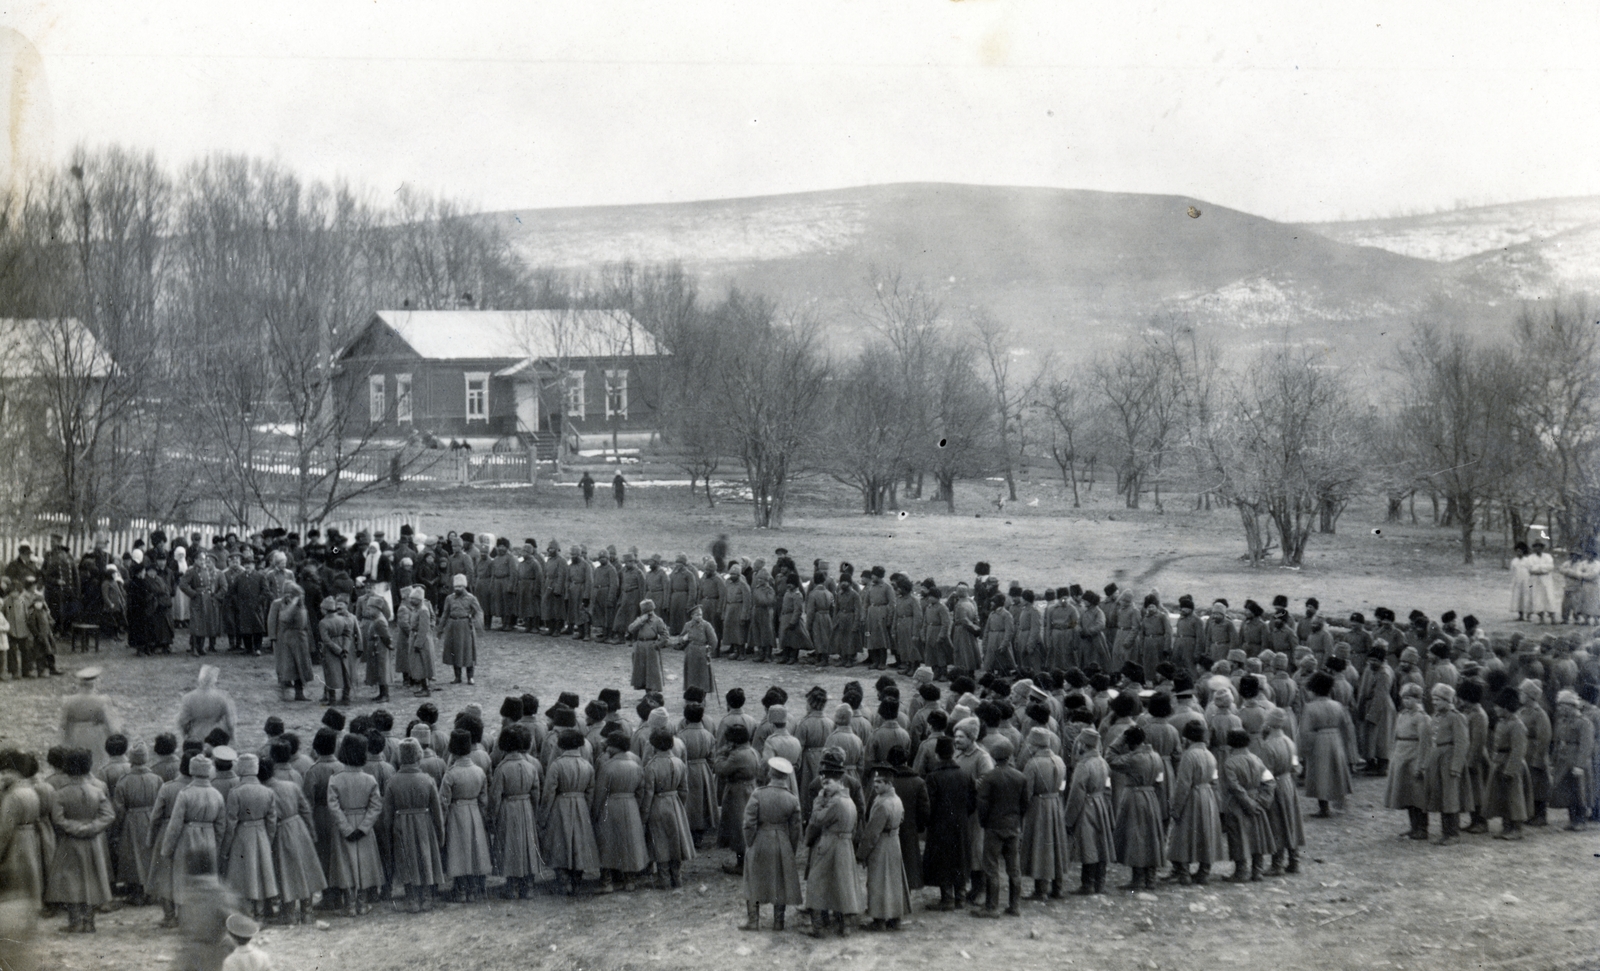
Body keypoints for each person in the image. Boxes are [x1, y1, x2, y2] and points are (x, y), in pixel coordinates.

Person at [45, 748, 115, 933]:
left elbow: (58, 820)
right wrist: (91, 827)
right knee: (92, 879)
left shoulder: (60, 794)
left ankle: (75, 922)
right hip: (93, 841)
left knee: (71, 882)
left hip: (70, 842)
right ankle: (90, 921)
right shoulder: (97, 790)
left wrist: (75, 828)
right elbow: (108, 815)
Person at [261, 756, 324, 925]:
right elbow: (306, 810)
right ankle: (307, 911)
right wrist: (311, 832)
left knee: (285, 872)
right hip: (299, 827)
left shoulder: (264, 792)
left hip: (280, 831)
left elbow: (270, 820)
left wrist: (268, 839)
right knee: (305, 869)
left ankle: (288, 912)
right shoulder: (292, 786)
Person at [326, 733, 384, 916]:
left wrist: (345, 828)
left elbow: (333, 807)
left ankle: (350, 903)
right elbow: (376, 806)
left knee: (346, 864)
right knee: (365, 864)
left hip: (345, 825)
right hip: (363, 825)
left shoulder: (335, 779)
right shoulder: (369, 779)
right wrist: (364, 827)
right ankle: (362, 902)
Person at [542, 729, 600, 895]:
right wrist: (585, 810)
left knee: (560, 841)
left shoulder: (556, 765)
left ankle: (563, 879)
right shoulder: (587, 765)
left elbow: (549, 793)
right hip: (580, 804)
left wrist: (544, 815)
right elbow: (590, 792)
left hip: (561, 805)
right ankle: (577, 879)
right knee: (579, 842)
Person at [1109, 725, 1167, 892]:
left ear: (1129, 743)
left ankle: (1138, 879)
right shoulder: (1156, 757)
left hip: (1134, 797)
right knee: (1151, 837)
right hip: (1151, 796)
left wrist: (1121, 738)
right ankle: (1151, 878)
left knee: (1137, 838)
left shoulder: (1133, 758)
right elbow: (1159, 781)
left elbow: (1110, 757)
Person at [221, 754, 278, 919]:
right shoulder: (267, 791)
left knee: (245, 875)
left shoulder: (235, 792)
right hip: (261, 834)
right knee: (260, 874)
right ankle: (260, 912)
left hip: (242, 835)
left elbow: (230, 823)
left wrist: (225, 848)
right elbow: (272, 821)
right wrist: (268, 840)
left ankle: (248, 913)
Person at [805, 777, 862, 938]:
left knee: (816, 881)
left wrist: (817, 801)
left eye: (828, 782)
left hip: (830, 843)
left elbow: (817, 819)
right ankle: (845, 926)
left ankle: (818, 928)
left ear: (840, 782)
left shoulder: (836, 802)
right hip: (845, 845)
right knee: (843, 884)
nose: (825, 787)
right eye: (823, 783)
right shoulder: (849, 800)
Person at [440, 729, 492, 902]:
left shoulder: (451, 773)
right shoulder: (479, 771)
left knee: (459, 850)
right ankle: (474, 887)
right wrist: (484, 818)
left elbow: (443, 801)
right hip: (475, 811)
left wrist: (442, 821)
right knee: (475, 849)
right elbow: (484, 798)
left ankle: (461, 888)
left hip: (456, 812)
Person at [858, 769, 913, 930]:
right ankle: (895, 918)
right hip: (894, 842)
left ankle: (879, 920)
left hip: (881, 844)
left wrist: (862, 854)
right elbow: (901, 818)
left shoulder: (882, 803)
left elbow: (872, 832)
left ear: (888, 783)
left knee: (878, 880)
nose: (875, 785)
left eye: (879, 782)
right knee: (894, 881)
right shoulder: (896, 799)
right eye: (875, 782)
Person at [1063, 727, 1115, 895]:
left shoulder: (1083, 765)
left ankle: (1088, 884)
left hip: (1087, 806)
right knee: (1101, 844)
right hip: (1101, 803)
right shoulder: (1103, 762)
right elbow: (1109, 788)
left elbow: (1076, 794)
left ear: (1083, 744)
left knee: (1089, 846)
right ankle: (1100, 883)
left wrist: (1068, 819)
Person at [640, 729, 694, 889]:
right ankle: (677, 877)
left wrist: (644, 814)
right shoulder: (679, 763)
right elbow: (684, 789)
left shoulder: (651, 766)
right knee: (676, 840)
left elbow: (648, 793)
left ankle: (663, 878)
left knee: (660, 841)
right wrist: (679, 804)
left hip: (658, 803)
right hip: (675, 802)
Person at [1298, 672, 1358, 817]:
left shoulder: (1310, 707)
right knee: (1336, 770)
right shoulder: (1337, 705)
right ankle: (1339, 802)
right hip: (1335, 738)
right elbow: (1346, 726)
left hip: (1319, 740)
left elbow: (1304, 731)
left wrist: (1303, 750)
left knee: (1320, 773)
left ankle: (1324, 808)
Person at [1220, 728, 1276, 882]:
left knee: (1238, 837)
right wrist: (1263, 801)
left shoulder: (1229, 762)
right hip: (1257, 800)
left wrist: (1247, 803)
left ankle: (1241, 872)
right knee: (1257, 836)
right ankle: (1257, 871)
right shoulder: (1257, 759)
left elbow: (1234, 786)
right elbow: (1270, 781)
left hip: (1238, 804)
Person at [1386, 683, 1430, 840]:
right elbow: (1395, 736)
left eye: (1410, 698)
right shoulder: (1402, 715)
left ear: (1418, 699)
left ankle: (1422, 828)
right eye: (1404, 698)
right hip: (1402, 755)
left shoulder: (1421, 717)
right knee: (1407, 794)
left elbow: (1424, 742)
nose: (1406, 701)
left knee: (1417, 794)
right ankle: (1413, 826)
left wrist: (1421, 764)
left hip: (1414, 756)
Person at [1486, 687, 1532, 840]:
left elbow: (1518, 750)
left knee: (1514, 797)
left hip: (1512, 764)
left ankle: (1517, 829)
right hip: (1500, 762)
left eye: (1498, 706)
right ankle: (1506, 827)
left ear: (1506, 707)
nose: (1495, 709)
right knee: (1503, 797)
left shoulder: (1517, 725)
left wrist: (1510, 770)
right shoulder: (1502, 723)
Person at [1550, 689, 1596, 832]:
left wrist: (1580, 765)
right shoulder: (1562, 722)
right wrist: (1554, 760)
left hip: (1577, 761)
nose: (1560, 709)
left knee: (1580, 792)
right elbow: (1558, 742)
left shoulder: (1584, 723)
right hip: (1564, 761)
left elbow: (1586, 745)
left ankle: (1580, 820)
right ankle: (1572, 819)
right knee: (1568, 792)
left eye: (1563, 705)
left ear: (1571, 706)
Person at [60, 667, 121, 773]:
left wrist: (65, 742)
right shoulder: (101, 701)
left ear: (79, 684)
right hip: (95, 734)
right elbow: (110, 724)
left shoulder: (69, 701)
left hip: (75, 734)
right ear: (94, 684)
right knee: (97, 764)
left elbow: (63, 724)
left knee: (77, 763)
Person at [438, 575, 483, 686]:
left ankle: (470, 677)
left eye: (459, 586)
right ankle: (457, 677)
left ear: (464, 586)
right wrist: (440, 629)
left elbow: (478, 611)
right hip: (452, 626)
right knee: (454, 651)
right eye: (455, 586)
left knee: (468, 651)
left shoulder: (471, 598)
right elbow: (445, 613)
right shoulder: (449, 598)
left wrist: (478, 625)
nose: (457, 589)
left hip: (465, 626)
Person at [629, 599, 669, 692]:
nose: (648, 613)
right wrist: (641, 621)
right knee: (641, 671)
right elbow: (631, 629)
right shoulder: (640, 619)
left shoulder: (658, 620)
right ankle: (646, 693)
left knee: (652, 671)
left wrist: (657, 645)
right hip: (640, 646)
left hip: (651, 646)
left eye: (649, 611)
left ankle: (653, 692)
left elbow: (665, 636)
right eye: (646, 611)